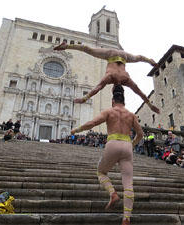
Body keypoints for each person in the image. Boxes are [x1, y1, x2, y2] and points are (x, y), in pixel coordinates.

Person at [70, 85, 143, 225]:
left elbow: (92, 123)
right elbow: (140, 134)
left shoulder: (109, 111)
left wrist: (76, 130)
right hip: (127, 146)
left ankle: (113, 193)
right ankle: (126, 218)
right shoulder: (131, 115)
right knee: (128, 182)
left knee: (101, 172)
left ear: (113, 101)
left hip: (113, 144)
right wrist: (132, 144)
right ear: (124, 102)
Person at [54, 42, 160, 114]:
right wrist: (84, 98)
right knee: (87, 49)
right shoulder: (109, 78)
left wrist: (150, 105)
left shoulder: (126, 79)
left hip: (123, 56)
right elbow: (97, 88)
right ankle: (66, 46)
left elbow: (140, 93)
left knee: (139, 58)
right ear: (113, 89)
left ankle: (150, 61)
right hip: (111, 54)